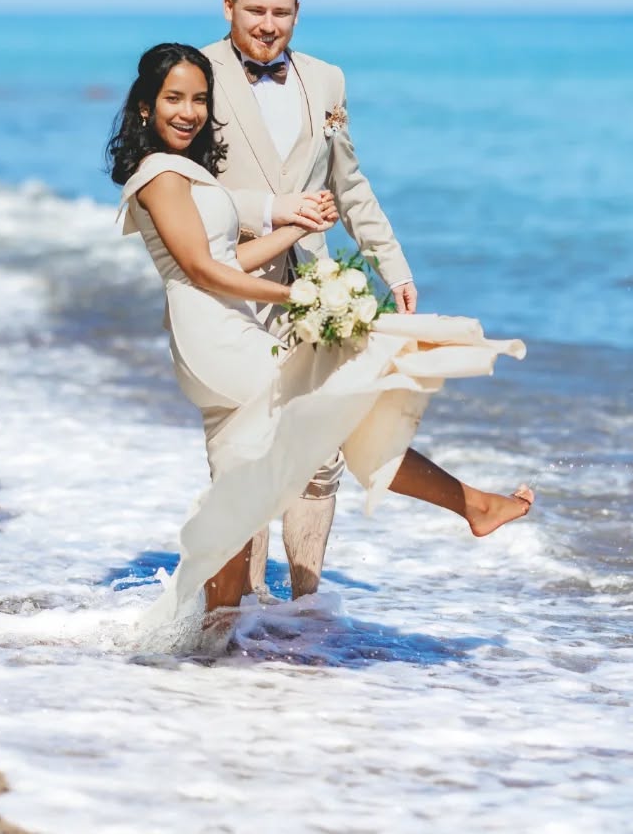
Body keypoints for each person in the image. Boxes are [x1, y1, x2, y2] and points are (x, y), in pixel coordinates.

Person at [107, 43, 531, 624]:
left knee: (242, 482)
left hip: (220, 327)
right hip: (217, 333)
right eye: (173, 99)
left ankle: (212, 634)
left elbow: (232, 254)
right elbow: (203, 270)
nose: (189, 111)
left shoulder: (184, 171)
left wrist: (296, 230)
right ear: (144, 109)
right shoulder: (159, 174)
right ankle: (473, 505)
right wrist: (296, 295)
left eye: (200, 99)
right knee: (340, 414)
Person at [202, 0, 417, 601]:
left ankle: (303, 612)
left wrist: (391, 264)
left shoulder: (325, 80)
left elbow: (347, 184)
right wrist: (266, 214)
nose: (268, 25)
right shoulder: (194, 73)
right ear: (228, 8)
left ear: (297, 12)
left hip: (319, 291)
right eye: (255, 10)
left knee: (319, 459)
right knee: (245, 455)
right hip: (232, 285)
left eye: (282, 12)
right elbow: (182, 195)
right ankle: (231, 619)